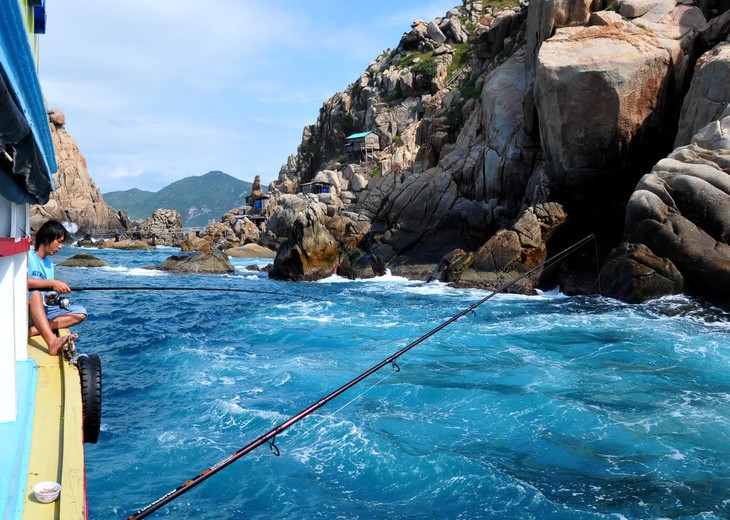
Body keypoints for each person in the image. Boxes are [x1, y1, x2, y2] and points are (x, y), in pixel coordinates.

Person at [28, 220, 87, 355]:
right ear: (47, 238)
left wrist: (51, 295)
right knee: (36, 294)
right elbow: (21, 281)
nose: (60, 246)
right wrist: (52, 283)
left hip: (42, 309)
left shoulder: (49, 264)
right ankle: (52, 342)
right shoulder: (28, 255)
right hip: (27, 308)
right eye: (58, 241)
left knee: (81, 313)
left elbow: (47, 294)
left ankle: (33, 330)